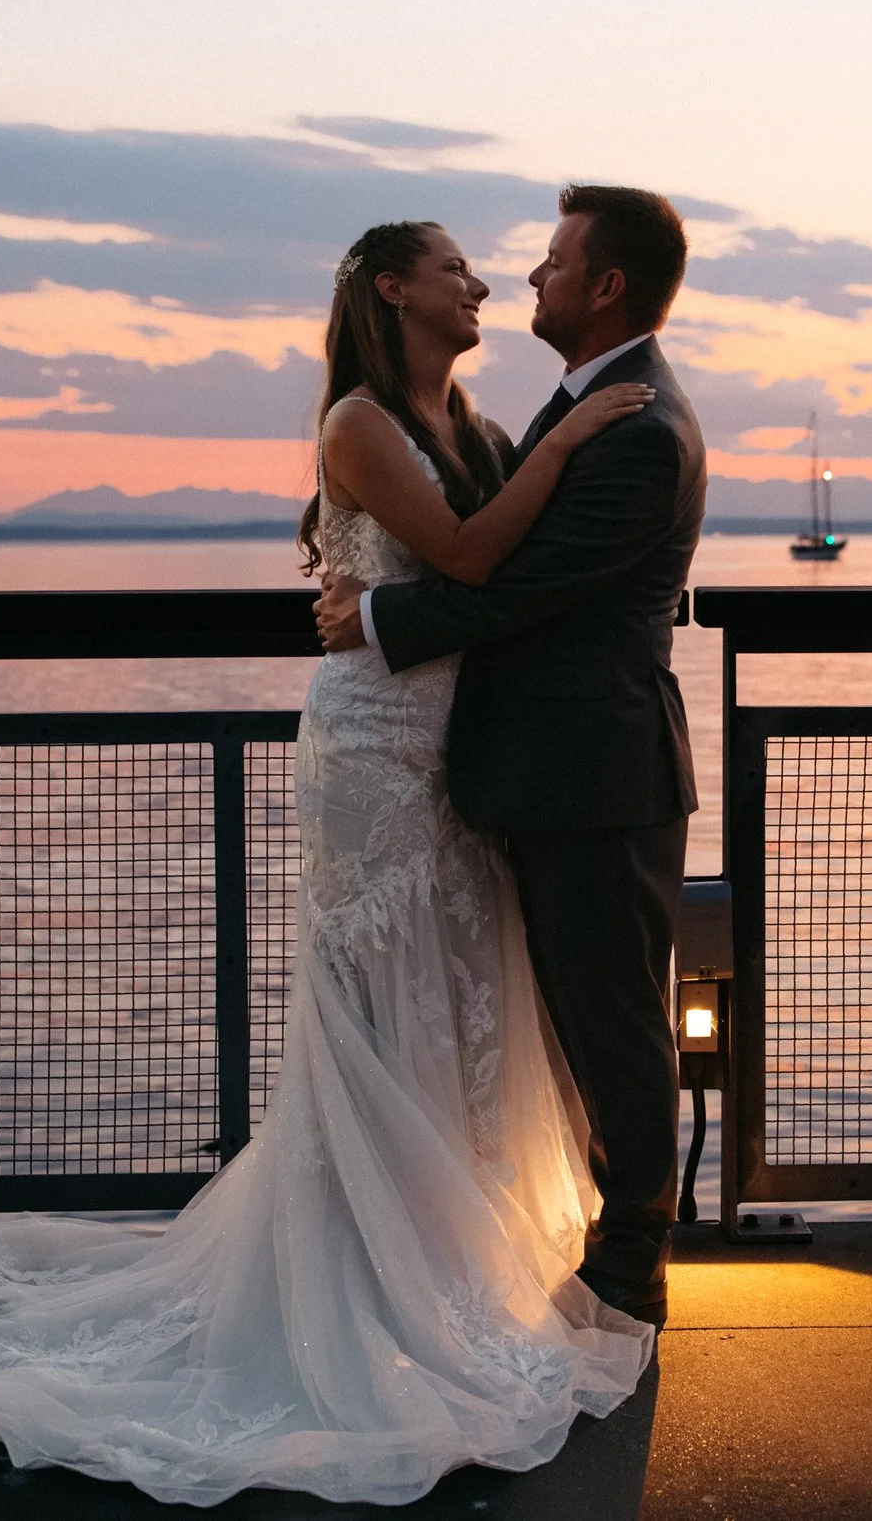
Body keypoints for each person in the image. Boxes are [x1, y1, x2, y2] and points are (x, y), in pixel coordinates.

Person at [0, 216, 659, 1507]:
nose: (482, 282)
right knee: (372, 1000)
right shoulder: (359, 423)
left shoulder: (477, 427)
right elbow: (466, 557)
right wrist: (559, 447)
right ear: (393, 288)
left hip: (452, 755)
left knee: (449, 1002)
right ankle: (351, 1278)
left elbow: (512, 571)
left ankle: (441, 1265)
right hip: (369, 754)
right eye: (453, 267)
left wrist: (430, 557)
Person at [315, 184, 706, 1327]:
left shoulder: (637, 428)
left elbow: (519, 584)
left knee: (611, 1021)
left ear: (606, 286)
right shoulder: (564, 409)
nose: (522, 277)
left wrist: (378, 616)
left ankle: (631, 1259)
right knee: (544, 1016)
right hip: (523, 766)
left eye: (551, 260)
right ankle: (433, 1235)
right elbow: (494, 551)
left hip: (596, 770)